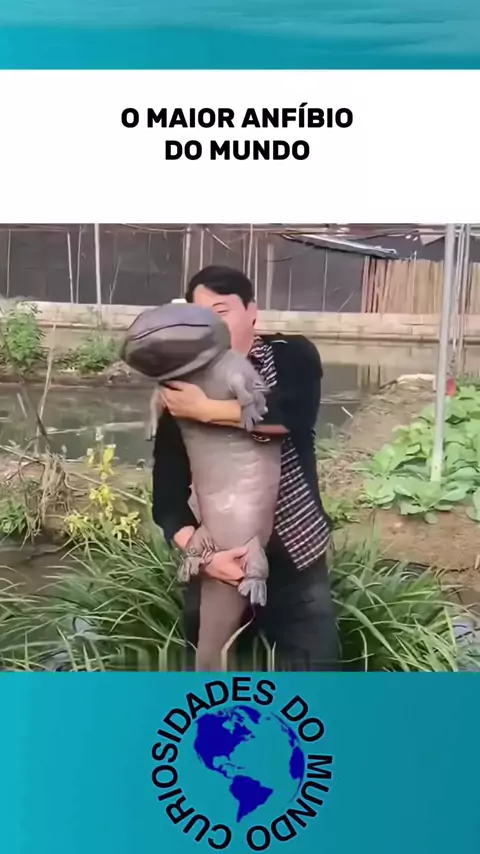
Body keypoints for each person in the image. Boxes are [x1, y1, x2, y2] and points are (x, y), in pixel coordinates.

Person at [152, 265, 340, 671]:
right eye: (202, 317)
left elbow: (289, 417)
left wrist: (204, 409)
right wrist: (205, 559)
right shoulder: (181, 386)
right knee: (209, 686)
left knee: (317, 680)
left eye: (222, 311)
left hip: (297, 560)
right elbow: (166, 501)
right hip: (219, 562)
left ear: (252, 311)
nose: (212, 326)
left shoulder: (290, 354)